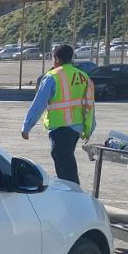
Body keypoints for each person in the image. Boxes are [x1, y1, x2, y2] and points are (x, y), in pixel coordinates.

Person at [21, 44, 96, 184]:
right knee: (65, 160)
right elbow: (90, 104)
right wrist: (89, 128)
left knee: (64, 164)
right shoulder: (83, 76)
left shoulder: (52, 77)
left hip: (61, 127)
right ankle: (70, 191)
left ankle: (72, 195)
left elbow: (39, 104)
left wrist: (26, 127)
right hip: (76, 129)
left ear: (56, 59)